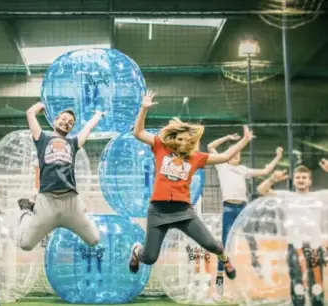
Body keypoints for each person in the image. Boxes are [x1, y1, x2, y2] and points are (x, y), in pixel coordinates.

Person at [128, 91, 254, 282]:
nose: (182, 142)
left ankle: (225, 259)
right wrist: (144, 109)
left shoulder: (196, 158)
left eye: (186, 139)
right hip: (158, 210)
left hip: (184, 211)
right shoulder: (161, 147)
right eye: (178, 139)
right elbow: (138, 133)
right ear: (173, 139)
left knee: (213, 246)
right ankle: (137, 250)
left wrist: (244, 141)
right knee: (150, 258)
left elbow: (226, 156)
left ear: (191, 142)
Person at [17, 102, 104, 251]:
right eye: (63, 119)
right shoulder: (42, 139)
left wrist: (97, 116)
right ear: (56, 120)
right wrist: (39, 106)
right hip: (47, 201)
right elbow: (30, 113)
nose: (66, 123)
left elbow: (88, 128)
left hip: (70, 201)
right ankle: (27, 211)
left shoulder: (73, 143)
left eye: (70, 123)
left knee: (94, 239)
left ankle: (82, 212)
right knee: (25, 244)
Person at [207, 134, 284, 293]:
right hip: (229, 208)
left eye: (238, 154)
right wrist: (227, 138)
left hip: (243, 208)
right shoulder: (222, 166)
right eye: (233, 153)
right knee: (225, 243)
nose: (236, 155)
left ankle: (257, 268)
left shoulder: (243, 170)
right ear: (228, 155)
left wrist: (278, 157)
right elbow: (210, 146)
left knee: (251, 238)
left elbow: (266, 170)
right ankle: (220, 275)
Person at [257, 163, 328, 306]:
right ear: (293, 180)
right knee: (297, 284)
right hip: (294, 246)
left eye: (304, 177)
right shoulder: (285, 196)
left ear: (310, 181)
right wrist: (272, 179)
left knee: (317, 284)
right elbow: (261, 190)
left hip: (314, 247)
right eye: (298, 177)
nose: (301, 180)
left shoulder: (320, 196)